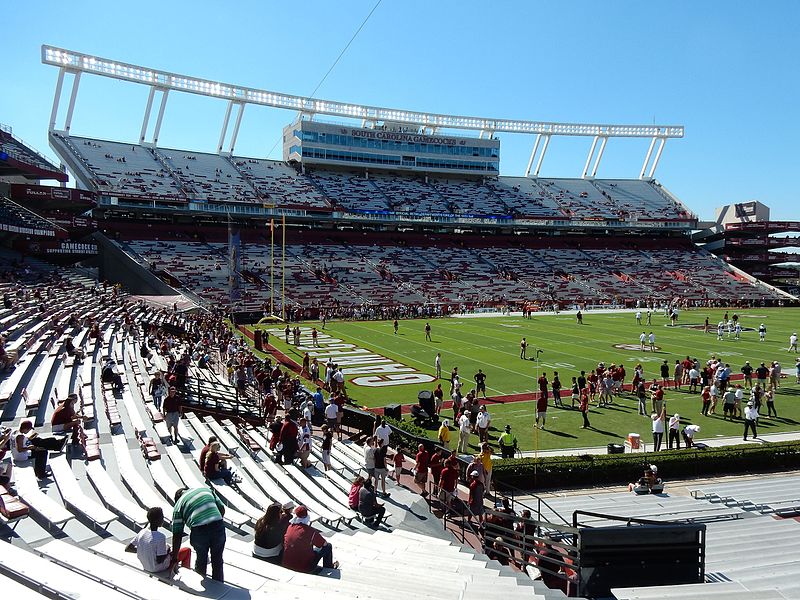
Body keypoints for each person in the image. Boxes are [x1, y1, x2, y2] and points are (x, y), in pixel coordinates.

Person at [171, 487, 226, 582]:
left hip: (199, 531)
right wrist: (213, 521)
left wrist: (175, 558)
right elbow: (222, 508)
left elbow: (177, 534)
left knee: (201, 560)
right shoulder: (205, 490)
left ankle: (201, 589)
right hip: (218, 525)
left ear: (177, 499)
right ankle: (219, 585)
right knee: (217, 560)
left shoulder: (179, 505)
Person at [126, 506, 191, 573]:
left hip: (145, 566)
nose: (163, 519)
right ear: (157, 520)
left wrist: (145, 551)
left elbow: (128, 548)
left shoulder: (142, 532)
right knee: (187, 550)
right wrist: (168, 551)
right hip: (158, 568)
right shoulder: (161, 537)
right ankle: (186, 572)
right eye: (162, 517)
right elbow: (160, 560)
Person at [282, 505, 339, 572]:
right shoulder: (310, 531)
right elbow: (324, 544)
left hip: (287, 563)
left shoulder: (290, 527)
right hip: (304, 567)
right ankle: (329, 567)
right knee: (328, 546)